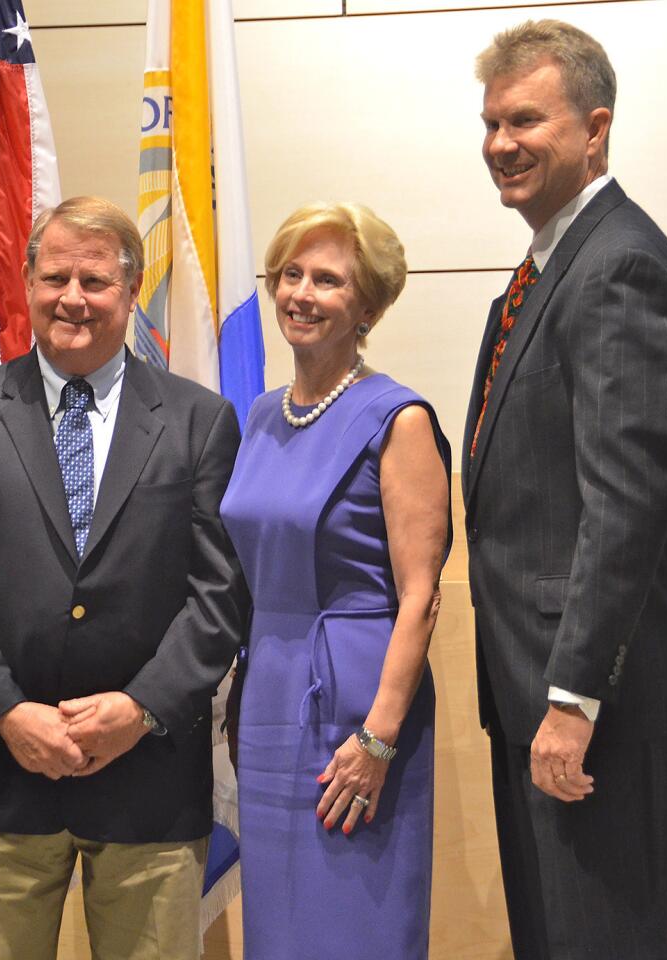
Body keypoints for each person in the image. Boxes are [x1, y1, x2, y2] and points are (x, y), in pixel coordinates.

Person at [0, 196, 245, 960]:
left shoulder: (200, 421)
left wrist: (139, 707)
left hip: (149, 777)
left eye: (94, 281)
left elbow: (220, 590)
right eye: (55, 276)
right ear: (25, 283)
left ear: (130, 293)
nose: (72, 298)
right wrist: (6, 711)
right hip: (2, 774)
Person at [465, 19, 667, 957]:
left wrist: (570, 702)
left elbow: (625, 507)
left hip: (601, 717)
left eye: (524, 119)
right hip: (537, 700)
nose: (498, 144)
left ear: (594, 129)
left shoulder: (618, 268)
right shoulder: (547, 268)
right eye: (487, 123)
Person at [220, 202, 450, 959]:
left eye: (327, 279)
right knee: (278, 927)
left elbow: (419, 594)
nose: (302, 293)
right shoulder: (259, 415)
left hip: (355, 712)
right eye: (291, 273)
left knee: (354, 926)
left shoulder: (398, 418)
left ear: (367, 306)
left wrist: (379, 738)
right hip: (267, 699)